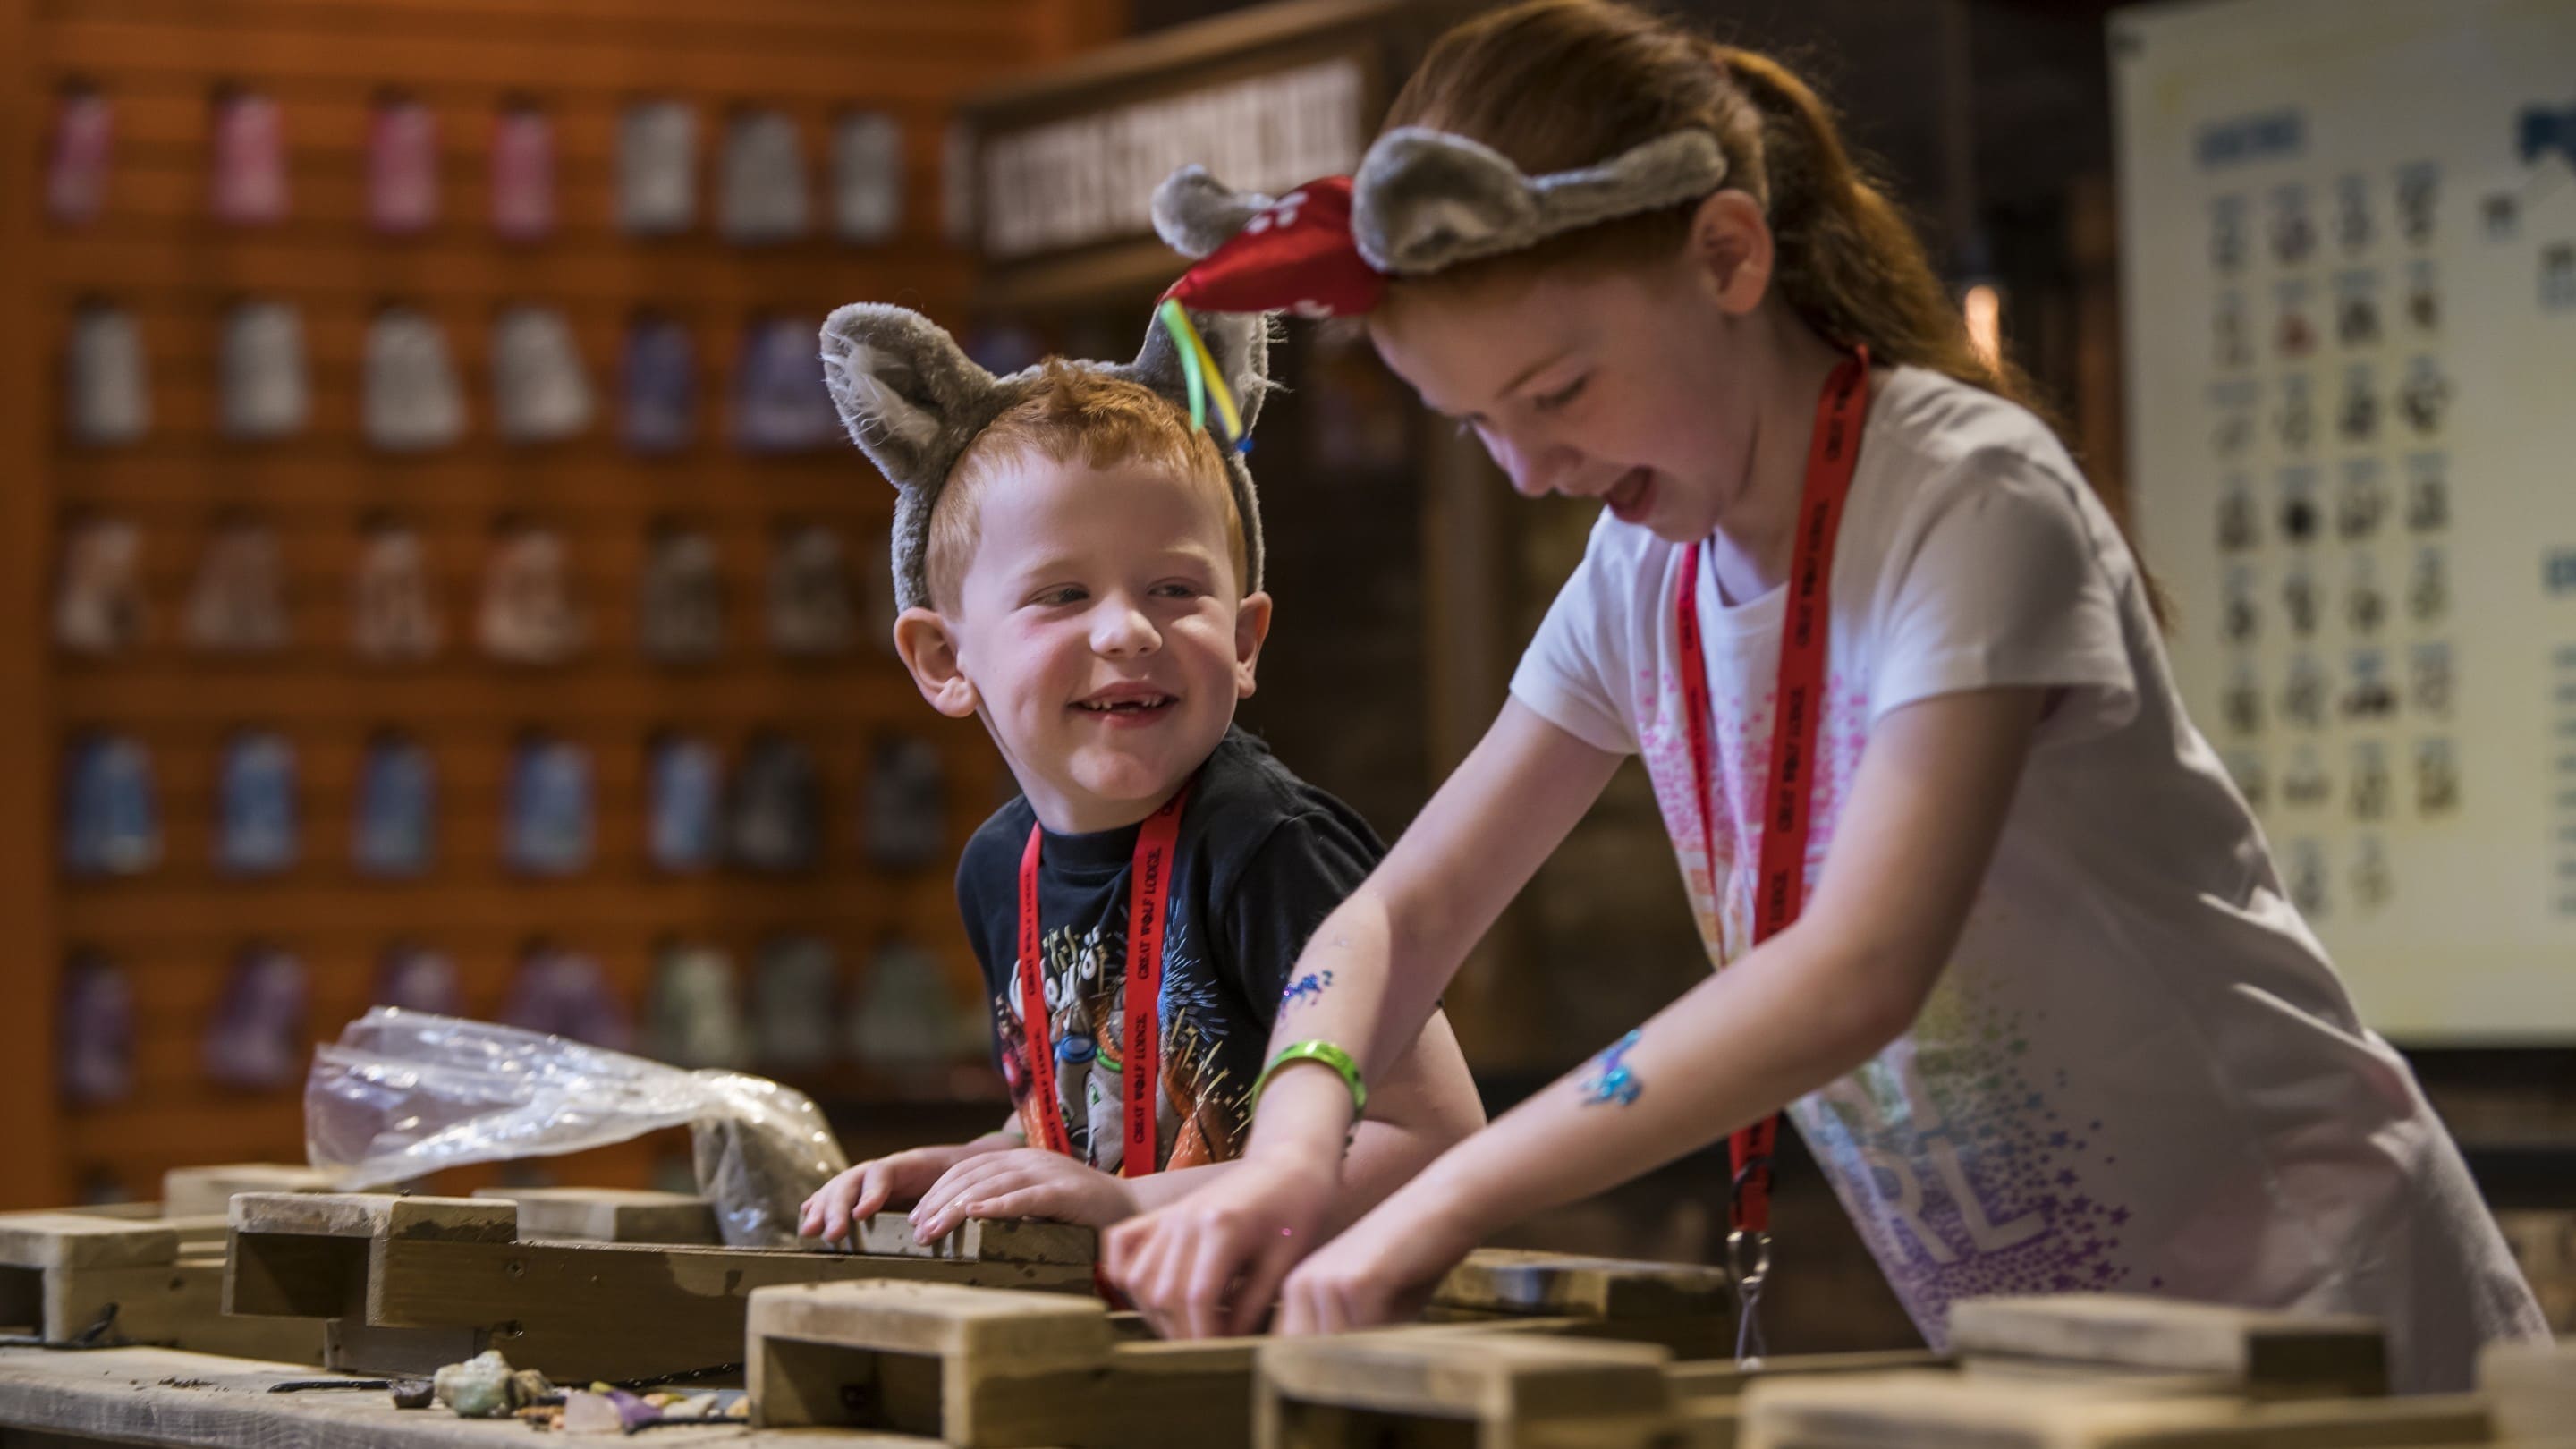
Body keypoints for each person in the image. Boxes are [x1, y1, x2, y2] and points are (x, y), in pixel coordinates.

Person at [1101, 0, 2547, 1390]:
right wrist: (1296, 1154)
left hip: (2331, 1309)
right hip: (2064, 1362)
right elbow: (1400, 917)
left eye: (1558, 392)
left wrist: (1450, 1196)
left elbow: (1856, 972)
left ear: (1728, 255)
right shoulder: (1640, 578)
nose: (1531, 470)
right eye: (1477, 423)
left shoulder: (1969, 497)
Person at [795, 303, 1483, 1250]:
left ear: (1245, 641)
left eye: (1175, 589)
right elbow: (1110, 1121)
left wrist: (1125, 1208)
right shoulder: (1002, 870)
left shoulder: (1271, 848)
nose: (1127, 630)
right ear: (944, 661)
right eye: (1062, 594)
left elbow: (1432, 1140)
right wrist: (978, 1161)